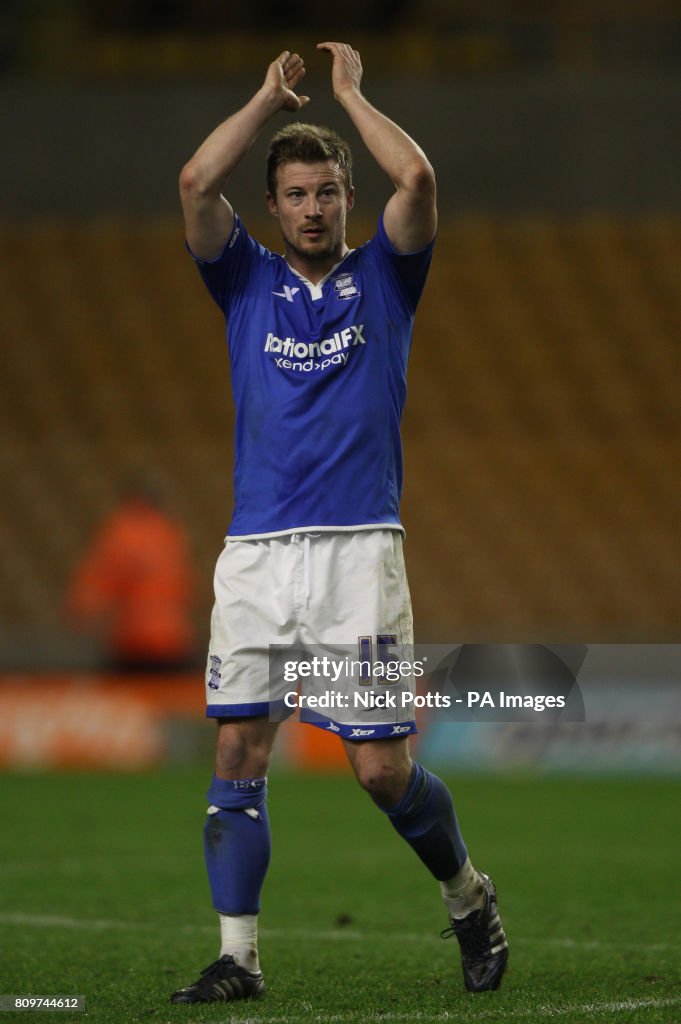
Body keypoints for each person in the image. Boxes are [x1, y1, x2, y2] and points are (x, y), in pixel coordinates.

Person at [171, 42, 508, 1004]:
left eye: (325, 191)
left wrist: (353, 98)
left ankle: (467, 894)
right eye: (295, 194)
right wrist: (261, 101)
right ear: (271, 208)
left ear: (343, 200)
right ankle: (238, 959)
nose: (312, 207)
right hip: (258, 556)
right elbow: (196, 178)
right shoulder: (241, 280)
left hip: (358, 553)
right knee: (238, 751)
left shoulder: (387, 279)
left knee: (378, 771)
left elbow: (419, 177)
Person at [66, 483, 197, 672]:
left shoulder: (122, 532)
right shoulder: (169, 531)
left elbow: (100, 584)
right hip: (173, 639)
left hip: (134, 640)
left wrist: (80, 612)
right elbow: (187, 587)